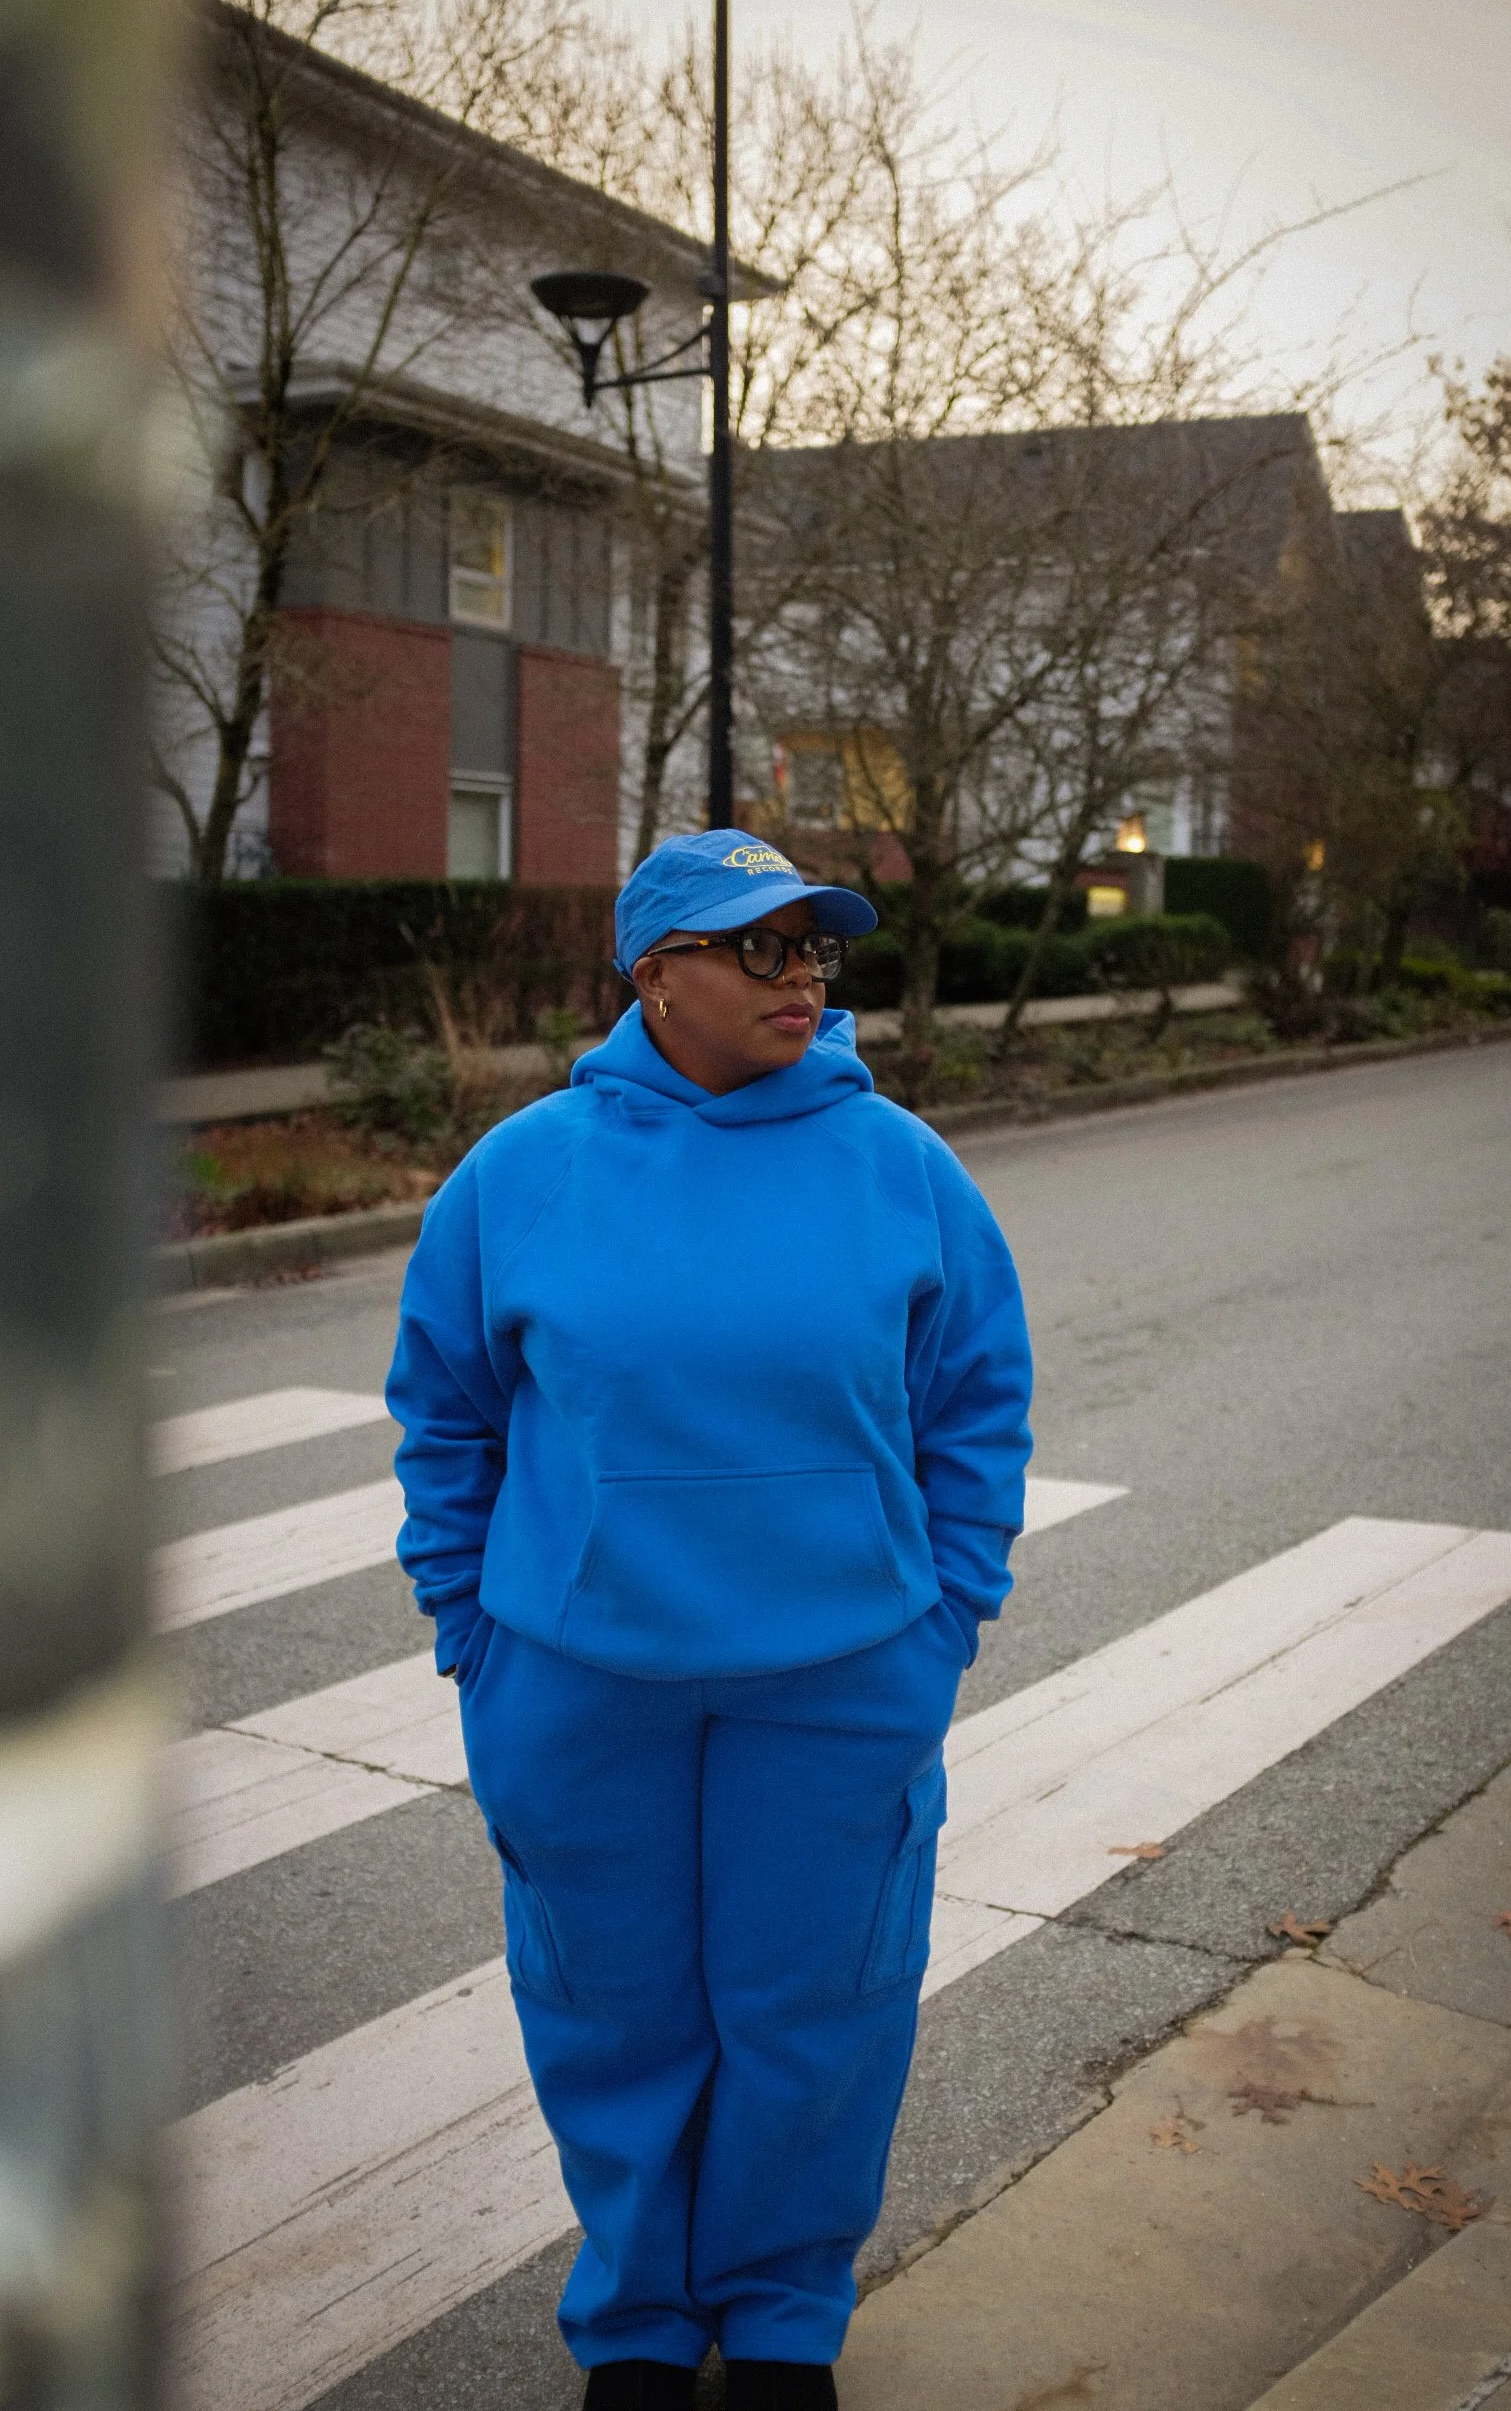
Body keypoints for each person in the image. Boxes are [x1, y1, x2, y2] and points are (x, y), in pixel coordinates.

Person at [387, 829, 1032, 2410]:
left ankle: (785, 2312)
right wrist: (472, 1625)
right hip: (577, 1680)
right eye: (761, 949)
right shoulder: (521, 1174)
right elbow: (447, 1416)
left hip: (838, 1683)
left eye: (817, 950)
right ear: (653, 972)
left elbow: (977, 1407)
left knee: (817, 2010)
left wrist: (943, 1616)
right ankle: (638, 2324)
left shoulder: (905, 1171)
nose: (801, 978)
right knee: (610, 2014)